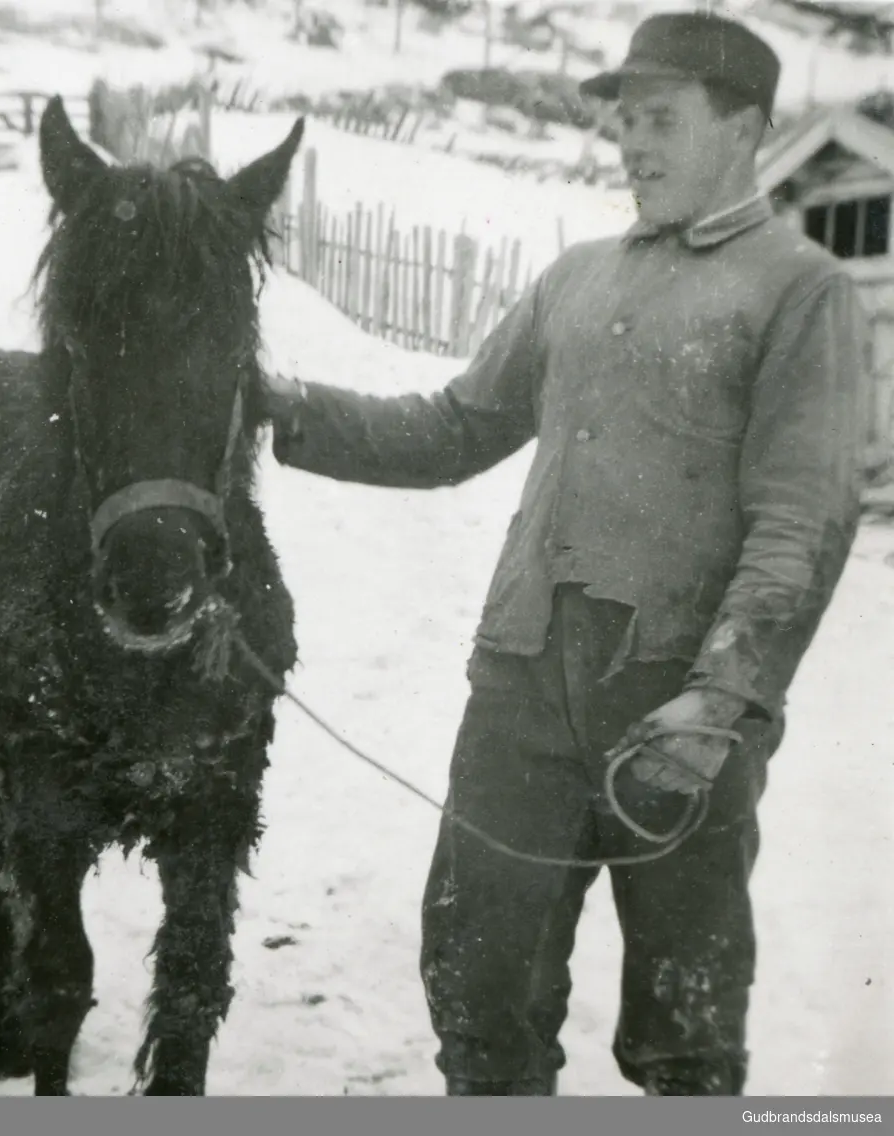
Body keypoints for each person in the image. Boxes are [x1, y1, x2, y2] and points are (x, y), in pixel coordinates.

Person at [258, 10, 871, 1096]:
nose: (633, 145)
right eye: (625, 122)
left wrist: (721, 698)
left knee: (686, 1028)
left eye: (661, 119)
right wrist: (285, 404)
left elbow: (803, 521)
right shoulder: (576, 279)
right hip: (523, 681)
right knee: (478, 984)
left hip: (676, 704)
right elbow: (451, 428)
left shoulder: (800, 288)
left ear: (744, 126)